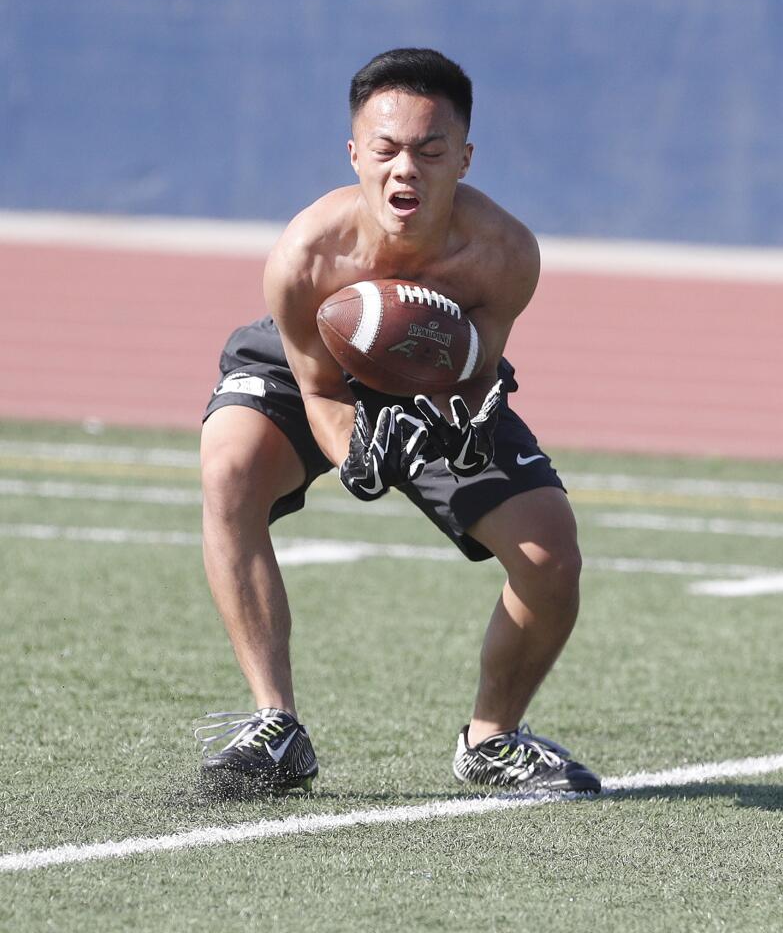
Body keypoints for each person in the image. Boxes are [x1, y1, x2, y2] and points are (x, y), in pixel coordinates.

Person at [195, 48, 600, 795]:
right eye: (384, 150)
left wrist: (462, 423)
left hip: (436, 375)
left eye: (429, 149)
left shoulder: (503, 254)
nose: (403, 169)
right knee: (229, 468)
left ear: (464, 159)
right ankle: (275, 725)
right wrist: (356, 455)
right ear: (355, 153)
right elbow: (318, 389)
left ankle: (491, 739)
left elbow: (475, 369)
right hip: (311, 363)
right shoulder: (305, 257)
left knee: (551, 560)